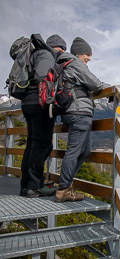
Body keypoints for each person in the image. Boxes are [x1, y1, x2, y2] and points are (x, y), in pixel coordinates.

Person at [55, 37, 109, 202]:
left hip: (73, 112)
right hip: (78, 113)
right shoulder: (75, 64)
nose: (89, 59)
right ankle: (63, 189)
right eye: (87, 55)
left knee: (84, 151)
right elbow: (95, 83)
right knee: (74, 151)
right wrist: (112, 89)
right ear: (79, 53)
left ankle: (66, 183)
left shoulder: (65, 65)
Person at [21, 34, 67, 198]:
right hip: (39, 104)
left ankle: (26, 186)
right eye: (62, 48)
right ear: (58, 47)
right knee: (42, 146)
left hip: (28, 102)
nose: (63, 52)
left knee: (32, 144)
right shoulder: (47, 55)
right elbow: (43, 76)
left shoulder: (36, 54)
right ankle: (35, 187)